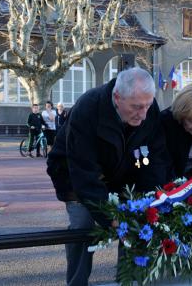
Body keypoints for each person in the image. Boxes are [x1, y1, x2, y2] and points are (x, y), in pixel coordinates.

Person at [47, 67, 169, 286]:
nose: (143, 115)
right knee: (84, 224)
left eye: (147, 107)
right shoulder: (88, 107)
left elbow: (155, 158)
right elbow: (83, 172)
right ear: (117, 97)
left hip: (123, 173)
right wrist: (110, 219)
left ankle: (130, 280)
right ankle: (77, 282)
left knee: (139, 221)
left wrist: (149, 199)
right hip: (72, 173)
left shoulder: (148, 108)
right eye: (136, 107)